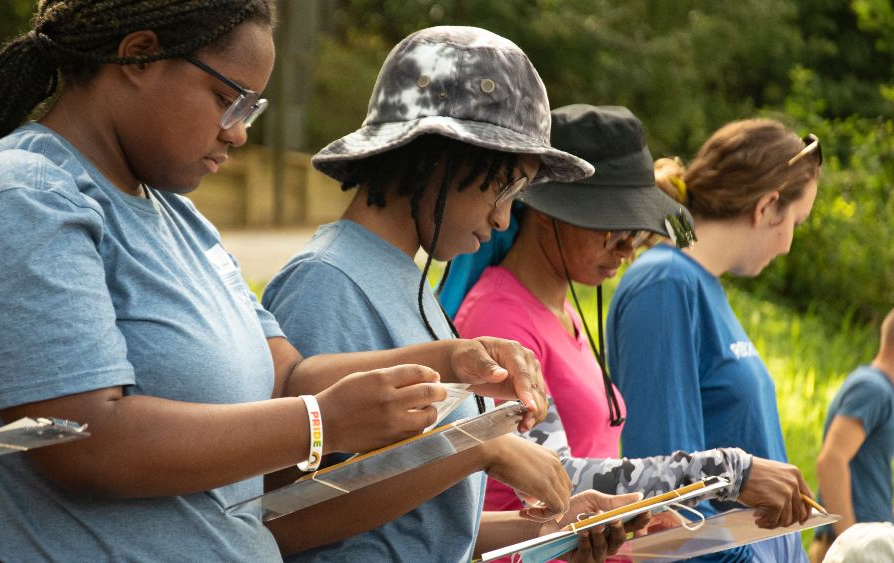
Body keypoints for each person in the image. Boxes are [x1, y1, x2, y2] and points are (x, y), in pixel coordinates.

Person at [0, 4, 557, 560]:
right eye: (228, 98)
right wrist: (324, 422)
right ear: (138, 57)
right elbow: (82, 439)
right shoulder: (19, 196)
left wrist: (446, 359)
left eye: (253, 106)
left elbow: (287, 378)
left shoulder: (183, 221)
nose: (240, 131)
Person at [263, 27, 647, 563]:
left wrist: (554, 529)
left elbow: (423, 528)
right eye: (503, 187)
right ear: (436, 156)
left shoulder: (410, 287)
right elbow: (285, 520)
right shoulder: (328, 283)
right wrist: (476, 447)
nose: (503, 218)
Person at [447, 105, 814, 532]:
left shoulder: (564, 313)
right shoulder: (500, 319)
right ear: (549, 212)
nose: (626, 247)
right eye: (611, 226)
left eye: (634, 227)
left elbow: (592, 476)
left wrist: (642, 512)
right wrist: (727, 471)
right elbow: (553, 479)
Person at [607, 118, 823, 562]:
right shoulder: (664, 285)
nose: (787, 246)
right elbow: (667, 507)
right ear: (766, 208)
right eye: (795, 223)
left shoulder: (701, 285)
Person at [811, 308, 894, 561]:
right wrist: (852, 547)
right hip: (856, 551)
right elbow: (831, 461)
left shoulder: (882, 390)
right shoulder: (873, 389)